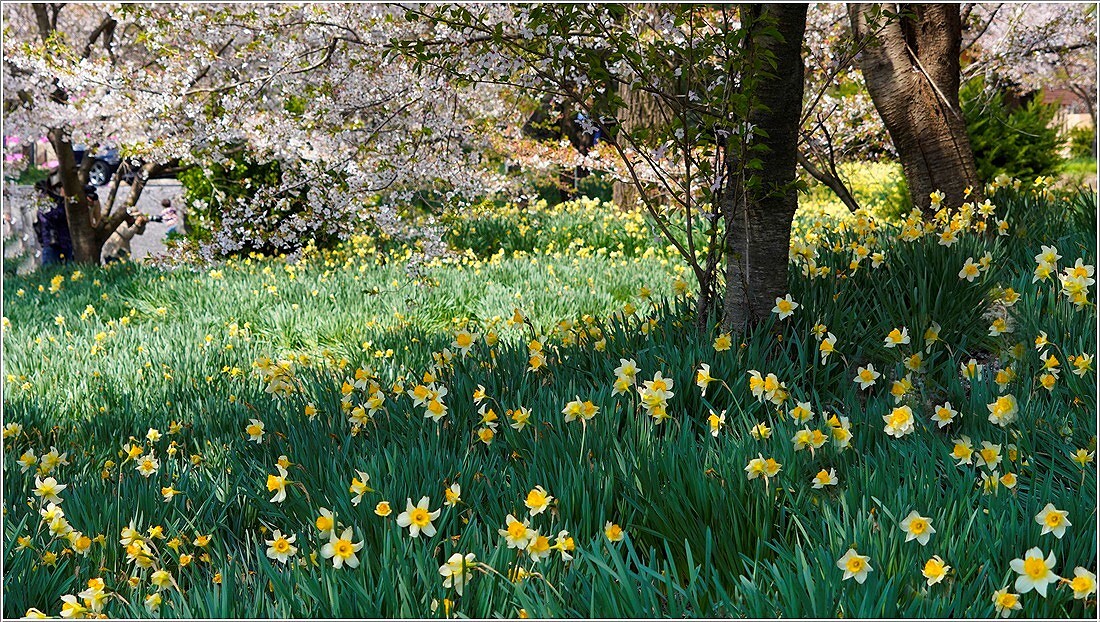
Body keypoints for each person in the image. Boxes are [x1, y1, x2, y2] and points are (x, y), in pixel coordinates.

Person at [32, 180, 73, 266]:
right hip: (52, 243)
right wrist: (62, 202)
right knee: (50, 272)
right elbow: (51, 216)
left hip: (67, 243)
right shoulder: (45, 201)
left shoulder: (64, 201)